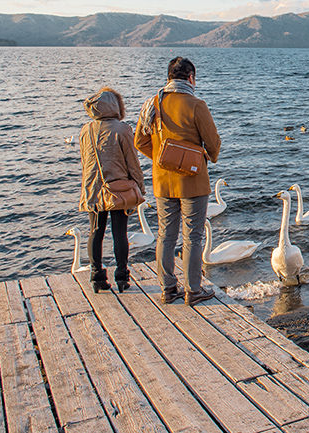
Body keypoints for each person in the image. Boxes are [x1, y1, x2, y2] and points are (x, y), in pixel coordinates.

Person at [135, 57, 221, 305]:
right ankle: (193, 290)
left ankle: (167, 289)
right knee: (193, 236)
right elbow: (212, 143)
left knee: (165, 234)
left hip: (163, 180)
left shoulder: (153, 103)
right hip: (193, 180)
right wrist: (204, 159)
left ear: (169, 78)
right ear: (191, 78)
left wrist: (166, 159)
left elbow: (139, 141)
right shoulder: (196, 104)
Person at [78, 87, 145, 292]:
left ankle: (96, 276)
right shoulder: (122, 129)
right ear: (115, 105)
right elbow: (132, 162)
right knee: (119, 233)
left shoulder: (85, 130)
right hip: (118, 189)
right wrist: (139, 187)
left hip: (93, 189)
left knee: (96, 231)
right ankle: (122, 277)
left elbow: (84, 161)